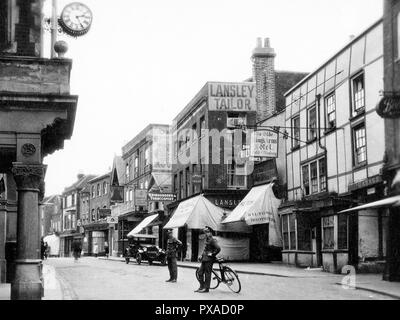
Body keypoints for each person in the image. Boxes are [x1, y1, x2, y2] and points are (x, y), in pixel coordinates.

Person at [195, 226, 221, 293]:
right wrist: (201, 255)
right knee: (199, 272)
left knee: (207, 274)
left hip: (209, 260)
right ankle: (201, 286)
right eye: (205, 232)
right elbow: (205, 249)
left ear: (211, 233)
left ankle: (206, 288)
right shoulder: (207, 239)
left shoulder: (212, 240)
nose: (206, 234)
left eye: (208, 232)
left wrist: (212, 254)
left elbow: (218, 248)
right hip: (204, 258)